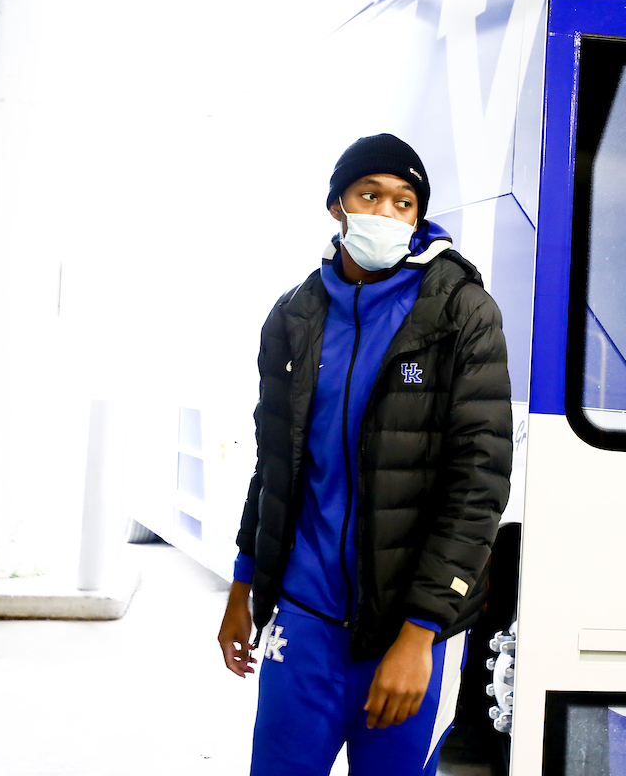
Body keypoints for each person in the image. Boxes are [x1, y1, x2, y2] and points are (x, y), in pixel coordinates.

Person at [217, 133, 513, 776]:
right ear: (337, 207)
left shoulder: (462, 313)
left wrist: (420, 634)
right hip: (304, 619)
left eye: (404, 202)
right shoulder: (293, 317)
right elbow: (273, 467)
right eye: (369, 195)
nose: (385, 213)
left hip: (406, 634)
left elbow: (479, 484)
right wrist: (245, 585)